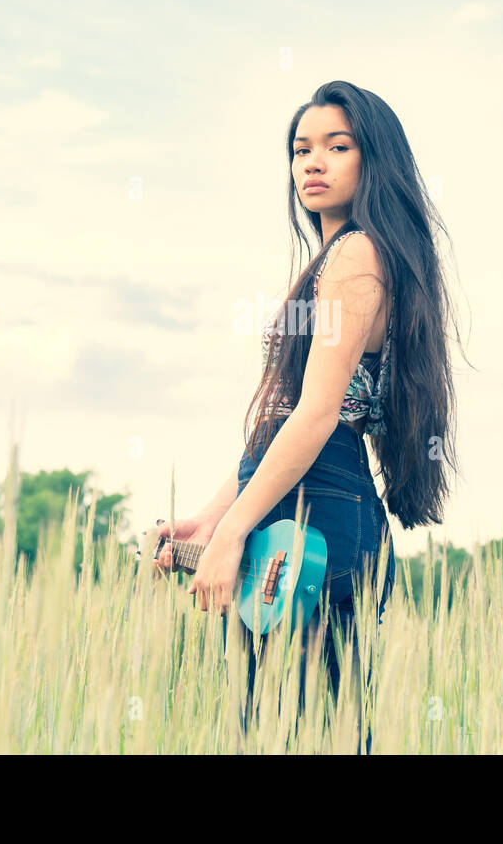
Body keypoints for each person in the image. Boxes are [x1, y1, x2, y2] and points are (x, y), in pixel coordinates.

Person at [156, 80, 462, 753]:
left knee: (293, 725)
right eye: (301, 149)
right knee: (288, 725)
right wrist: (212, 518)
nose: (312, 162)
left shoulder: (356, 253)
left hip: (318, 513)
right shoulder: (341, 258)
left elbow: (320, 415)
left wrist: (234, 530)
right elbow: (291, 423)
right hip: (307, 502)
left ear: (373, 160)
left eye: (337, 145)